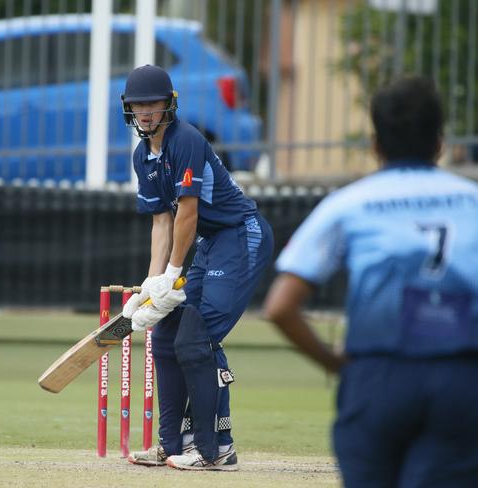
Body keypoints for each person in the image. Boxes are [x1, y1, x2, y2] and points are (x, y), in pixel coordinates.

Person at [263, 76, 478, 487]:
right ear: (439, 143)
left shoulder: (349, 203)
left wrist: (335, 363)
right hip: (462, 379)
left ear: (376, 144)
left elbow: (280, 307)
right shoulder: (471, 200)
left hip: (378, 377)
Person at [120, 65, 274, 471]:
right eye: (139, 106)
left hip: (241, 235)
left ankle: (215, 449)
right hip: (211, 243)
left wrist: (173, 274)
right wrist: (153, 285)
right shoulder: (142, 156)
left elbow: (187, 214)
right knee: (167, 334)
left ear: (169, 104)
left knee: (197, 336)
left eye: (153, 105)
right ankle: (171, 445)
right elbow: (161, 222)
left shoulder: (186, 140)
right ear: (129, 110)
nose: (146, 114)